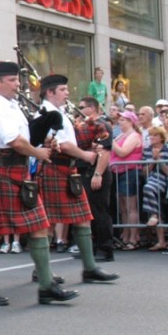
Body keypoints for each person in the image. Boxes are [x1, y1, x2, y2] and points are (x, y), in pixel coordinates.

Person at [0, 62, 79, 306]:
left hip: (19, 173)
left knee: (40, 226)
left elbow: (26, 137)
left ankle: (46, 286)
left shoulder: (13, 106)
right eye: (12, 80)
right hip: (1, 172)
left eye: (17, 79)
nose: (17, 84)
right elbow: (15, 142)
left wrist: (44, 141)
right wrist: (38, 153)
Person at [35, 75, 118, 283]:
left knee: (83, 216)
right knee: (48, 222)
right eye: (63, 89)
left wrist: (89, 141)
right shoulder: (46, 113)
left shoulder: (60, 112)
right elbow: (62, 145)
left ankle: (89, 268)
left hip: (68, 170)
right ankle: (41, 271)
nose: (67, 93)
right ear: (50, 92)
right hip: (55, 168)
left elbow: (70, 139)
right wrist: (85, 155)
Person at [75, 97, 116, 262]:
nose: (79, 110)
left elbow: (105, 151)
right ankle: (90, 247)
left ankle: (105, 249)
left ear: (91, 108)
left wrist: (98, 174)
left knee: (99, 211)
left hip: (95, 171)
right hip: (84, 171)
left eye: (82, 107)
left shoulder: (101, 125)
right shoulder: (84, 126)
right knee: (87, 212)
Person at [110, 111, 143, 250]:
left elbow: (123, 152)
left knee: (131, 206)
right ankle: (126, 235)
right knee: (123, 207)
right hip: (118, 171)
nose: (120, 122)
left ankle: (134, 237)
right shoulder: (121, 135)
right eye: (120, 119)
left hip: (130, 172)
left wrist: (109, 140)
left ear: (131, 122)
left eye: (123, 120)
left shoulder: (134, 136)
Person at [141, 126, 168, 250]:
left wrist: (159, 159)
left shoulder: (167, 150)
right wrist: (153, 161)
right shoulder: (147, 151)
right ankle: (161, 240)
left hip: (164, 181)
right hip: (151, 179)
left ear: (161, 137)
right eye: (150, 135)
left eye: (155, 135)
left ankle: (154, 215)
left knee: (147, 188)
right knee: (155, 203)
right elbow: (144, 172)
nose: (152, 138)